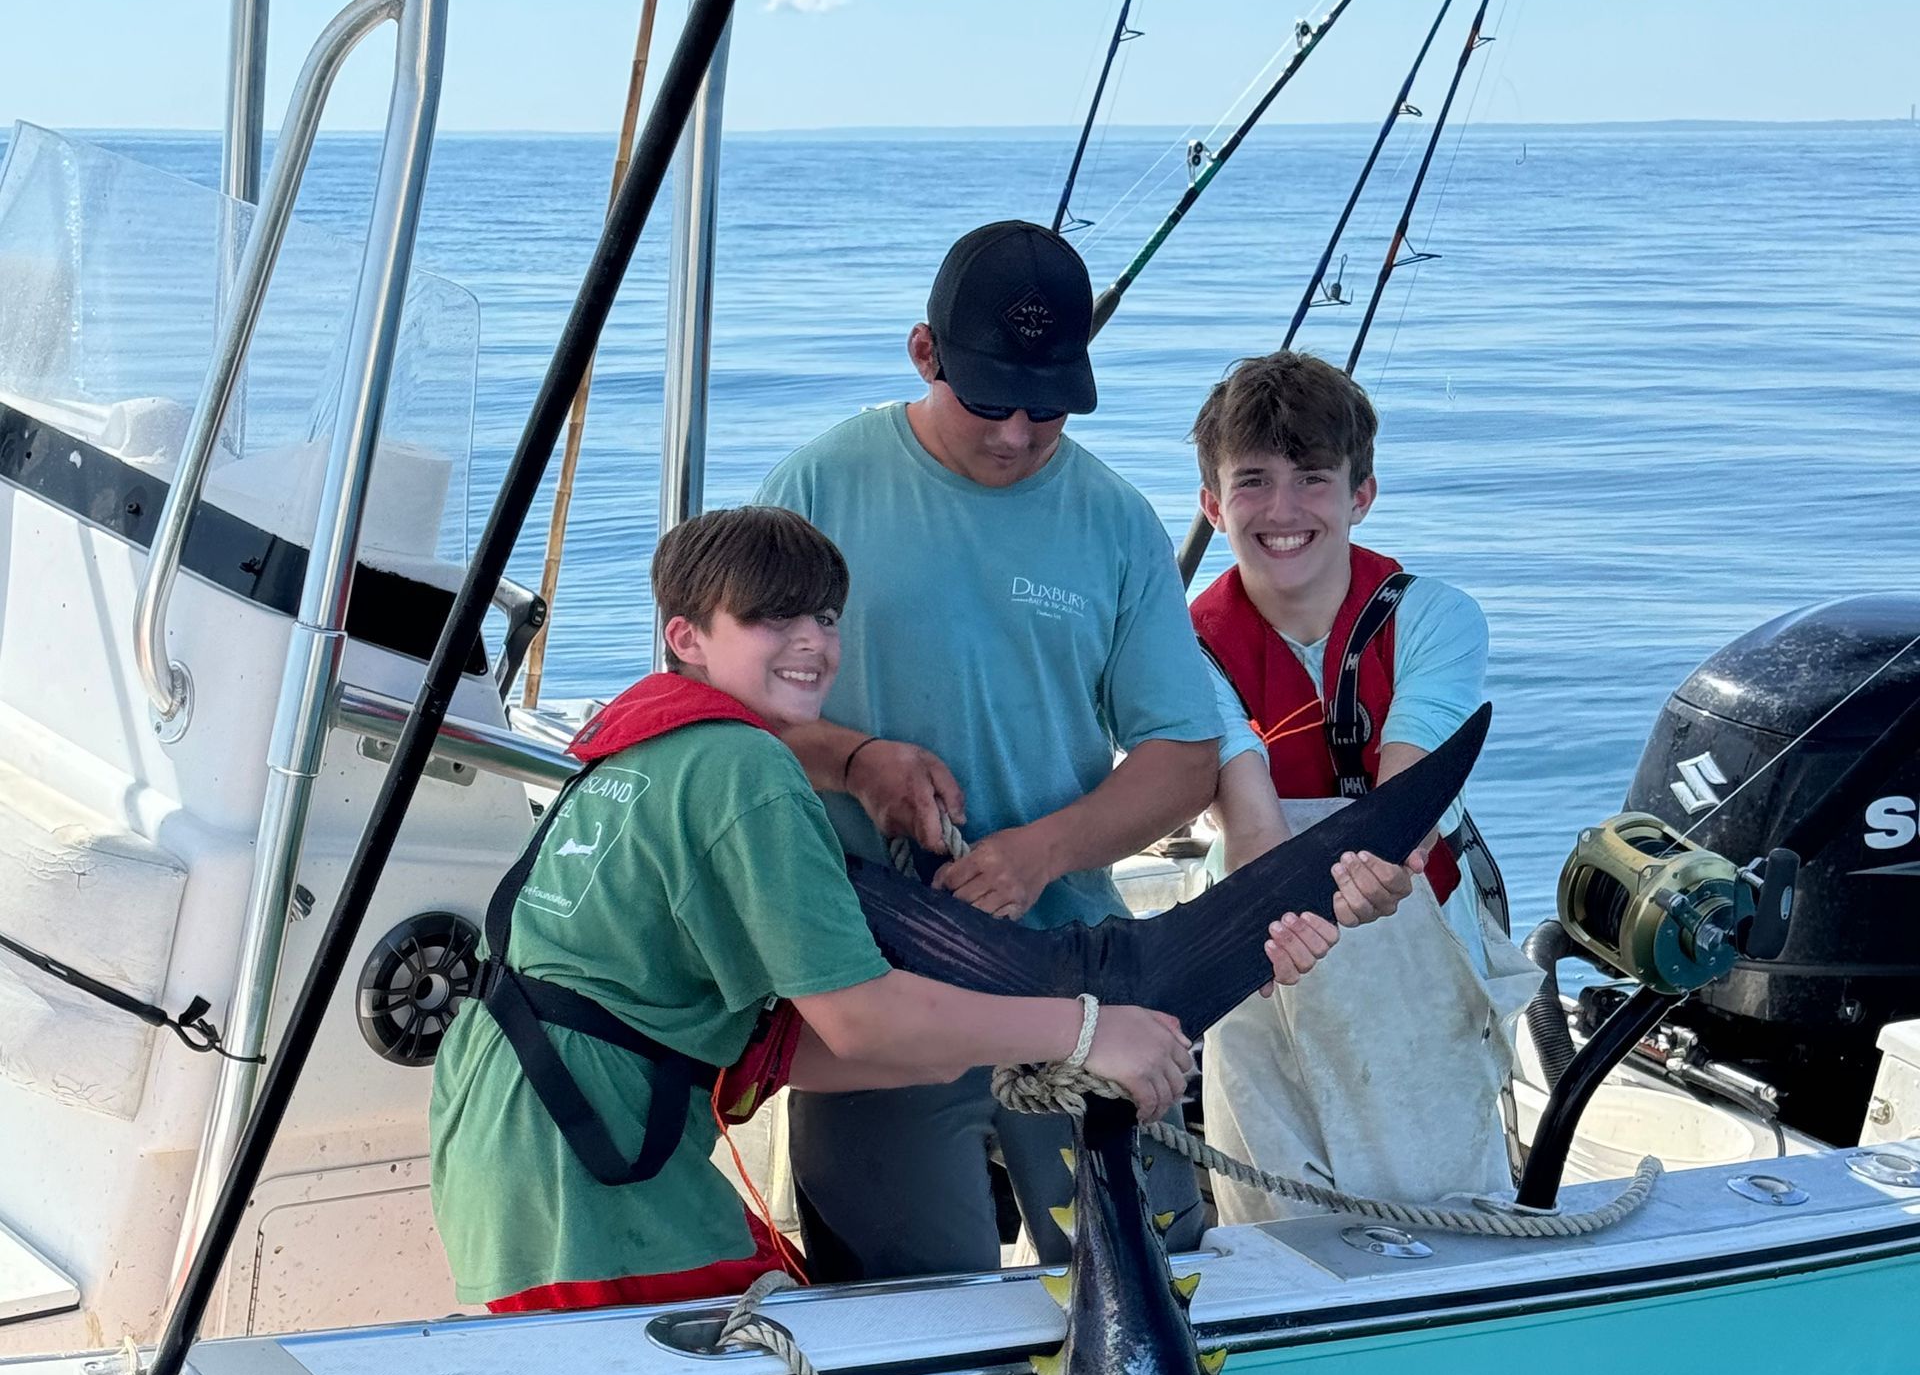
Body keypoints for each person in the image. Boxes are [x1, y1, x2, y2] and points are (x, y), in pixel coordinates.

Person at [756, 221, 1402, 1282]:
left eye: (1047, 407)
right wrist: (857, 757)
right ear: (925, 355)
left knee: (1157, 1288)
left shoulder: (1111, 517)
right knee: (901, 1304)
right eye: (988, 400)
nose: (1015, 434)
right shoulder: (818, 485)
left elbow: (1183, 752)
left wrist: (1039, 856)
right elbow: (719, 716)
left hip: (1077, 965)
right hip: (874, 970)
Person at [428, 504, 1268, 1315]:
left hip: (503, 1149)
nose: (810, 643)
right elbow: (861, 1020)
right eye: (769, 619)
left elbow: (789, 1041)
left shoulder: (637, 748)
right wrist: (1089, 1031)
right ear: (685, 637)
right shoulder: (743, 770)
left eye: (825, 618)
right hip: (591, 1175)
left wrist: (969, 1055)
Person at [1191, 351, 1541, 1218]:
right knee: (1268, 1218)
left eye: (1314, 479)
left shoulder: (1436, 616)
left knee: (1445, 1212)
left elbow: (1409, 797)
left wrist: (1384, 863)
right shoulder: (1182, 645)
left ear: (1362, 494)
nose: (1283, 510)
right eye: (1252, 481)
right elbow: (1250, 820)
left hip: (1408, 911)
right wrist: (1281, 919)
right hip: (1254, 927)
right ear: (1211, 503)